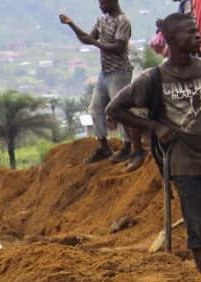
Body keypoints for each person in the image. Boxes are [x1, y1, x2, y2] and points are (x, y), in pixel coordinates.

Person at [110, 12, 201, 277]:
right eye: (190, 32)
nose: (197, 36)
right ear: (170, 39)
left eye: (197, 31)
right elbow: (115, 109)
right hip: (185, 165)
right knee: (198, 229)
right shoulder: (154, 79)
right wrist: (155, 127)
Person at [61, 1, 148, 169]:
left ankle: (128, 146)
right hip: (105, 72)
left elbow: (118, 47)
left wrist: (95, 43)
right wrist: (71, 24)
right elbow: (88, 38)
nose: (100, 5)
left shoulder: (123, 21)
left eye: (102, 2)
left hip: (120, 72)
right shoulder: (102, 19)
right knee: (95, 109)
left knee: (119, 110)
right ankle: (104, 147)